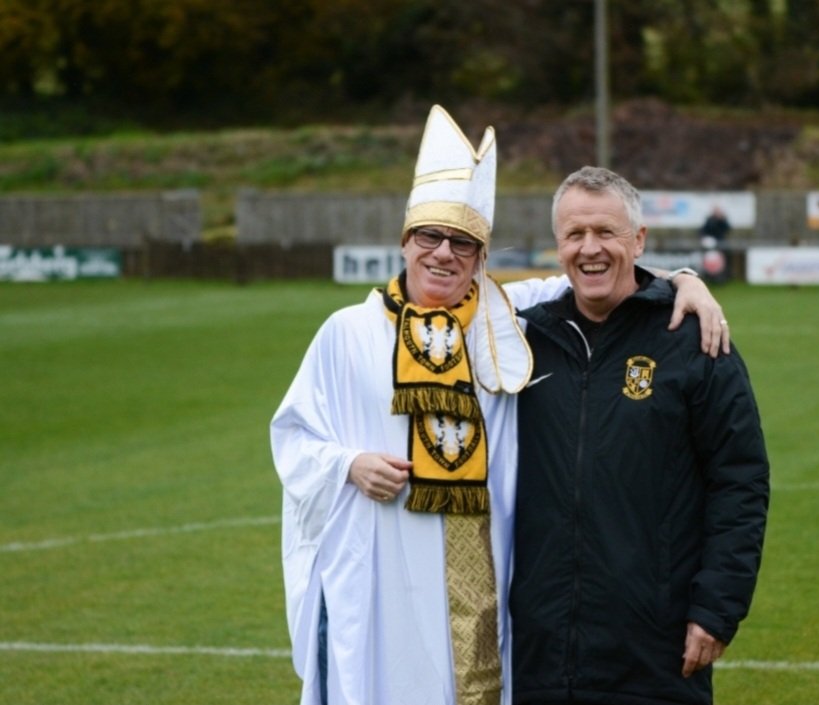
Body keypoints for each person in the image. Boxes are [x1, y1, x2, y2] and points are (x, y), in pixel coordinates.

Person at [270, 107, 730, 705]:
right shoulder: (346, 333)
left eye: (463, 243)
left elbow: (602, 273)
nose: (444, 255)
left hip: (483, 574)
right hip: (379, 575)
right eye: (430, 237)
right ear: (405, 242)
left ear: (482, 256)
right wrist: (348, 465)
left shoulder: (508, 321)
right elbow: (294, 437)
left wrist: (686, 279)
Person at [511, 166, 770, 705]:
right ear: (557, 246)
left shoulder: (694, 340)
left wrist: (717, 608)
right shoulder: (522, 342)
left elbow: (740, 480)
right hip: (540, 653)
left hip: (656, 652)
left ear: (639, 240)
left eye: (606, 232)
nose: (590, 249)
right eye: (574, 235)